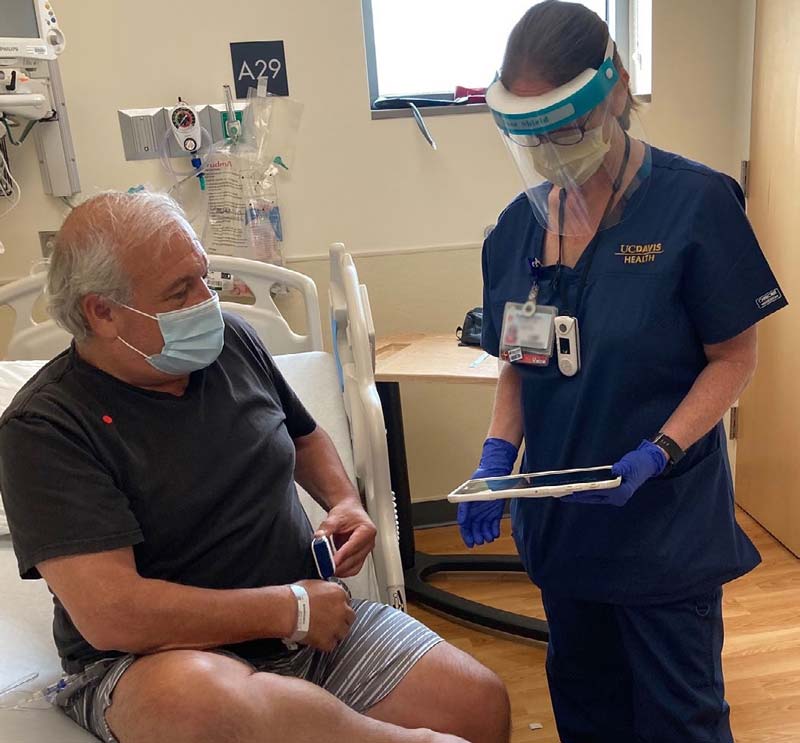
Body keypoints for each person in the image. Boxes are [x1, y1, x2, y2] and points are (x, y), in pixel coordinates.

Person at [0, 192, 510, 743]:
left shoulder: (231, 345)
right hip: (154, 659)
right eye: (180, 291)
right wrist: (287, 610)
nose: (207, 302)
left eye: (203, 277)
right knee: (200, 706)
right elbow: (114, 615)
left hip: (308, 624)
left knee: (476, 702)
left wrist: (344, 502)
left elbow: (305, 437)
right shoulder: (46, 428)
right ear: (102, 311)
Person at [458, 2, 787, 742]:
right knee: (588, 712)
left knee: (679, 721)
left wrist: (660, 449)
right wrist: (494, 458)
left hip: (662, 530)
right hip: (566, 535)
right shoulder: (516, 229)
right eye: (533, 138)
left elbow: (735, 358)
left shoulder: (696, 204)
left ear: (617, 92)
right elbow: (519, 361)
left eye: (566, 130)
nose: (551, 154)